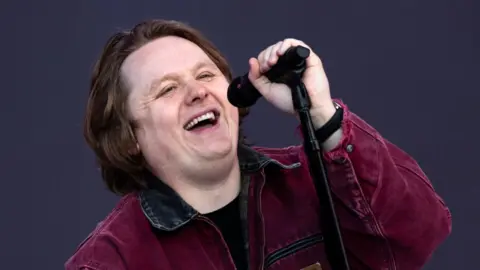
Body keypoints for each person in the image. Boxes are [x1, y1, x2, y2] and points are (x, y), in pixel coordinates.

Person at [65, 19, 451, 270]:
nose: (198, 92)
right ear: (129, 136)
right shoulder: (109, 260)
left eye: (205, 74)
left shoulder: (313, 182)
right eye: (167, 89)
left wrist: (322, 115)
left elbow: (416, 236)